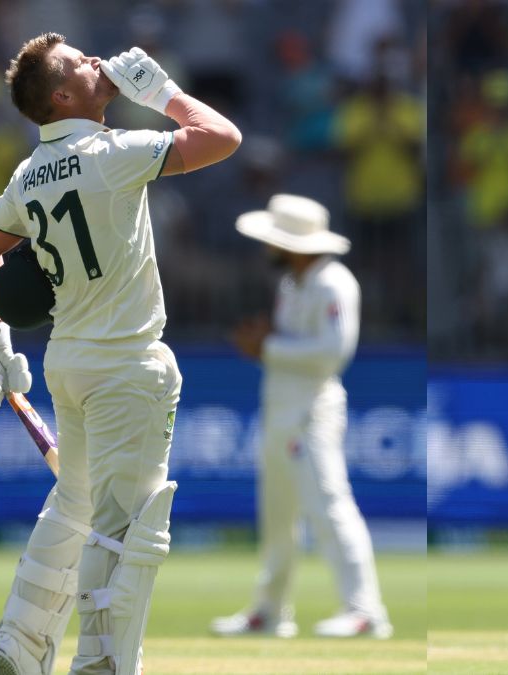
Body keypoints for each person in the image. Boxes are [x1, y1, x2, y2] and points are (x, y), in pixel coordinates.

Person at [0, 34, 240, 675]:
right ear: (62, 95)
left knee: (75, 503)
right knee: (128, 526)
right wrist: (163, 93)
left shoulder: (28, 173)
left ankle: (22, 640)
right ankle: (102, 665)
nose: (97, 62)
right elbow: (224, 138)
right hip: (127, 364)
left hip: (70, 361)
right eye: (80, 63)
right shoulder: (113, 153)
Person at [209, 194, 393, 640]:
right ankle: (271, 611)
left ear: (292, 243)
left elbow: (334, 352)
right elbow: (297, 345)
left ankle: (365, 611)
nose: (266, 248)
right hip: (280, 409)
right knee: (277, 517)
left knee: (329, 507)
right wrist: (268, 344)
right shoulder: (292, 283)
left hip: (312, 413)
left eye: (273, 240)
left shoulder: (334, 283)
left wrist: (266, 348)